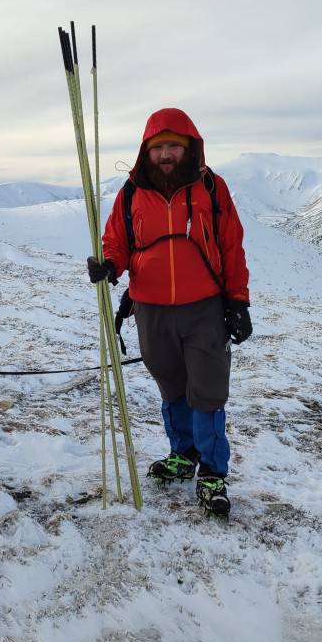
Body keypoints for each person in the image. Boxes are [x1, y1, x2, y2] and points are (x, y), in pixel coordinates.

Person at [87, 108, 252, 517]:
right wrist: (110, 265)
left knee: (207, 391)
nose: (165, 154)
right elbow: (117, 241)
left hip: (205, 308)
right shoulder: (130, 194)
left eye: (173, 146)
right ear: (146, 150)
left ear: (190, 147)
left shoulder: (212, 189)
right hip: (152, 309)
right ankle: (183, 454)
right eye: (158, 147)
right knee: (171, 386)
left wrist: (239, 301)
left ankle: (212, 472)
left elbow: (231, 246)